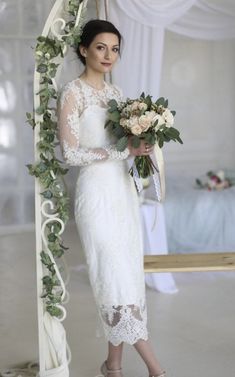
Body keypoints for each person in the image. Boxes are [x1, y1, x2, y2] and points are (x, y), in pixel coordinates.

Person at [57, 19, 166, 377]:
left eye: (115, 49)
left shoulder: (118, 96)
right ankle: (156, 370)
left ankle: (113, 366)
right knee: (113, 277)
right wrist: (124, 152)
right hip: (96, 197)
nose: (108, 55)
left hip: (122, 195)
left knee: (127, 277)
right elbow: (70, 154)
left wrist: (143, 149)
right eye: (101, 47)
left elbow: (129, 149)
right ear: (84, 49)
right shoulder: (72, 93)